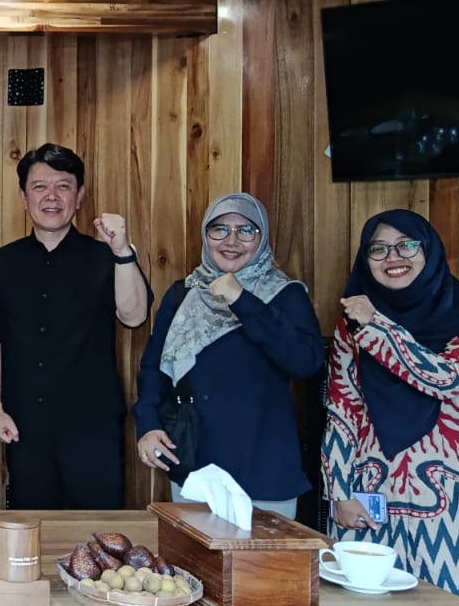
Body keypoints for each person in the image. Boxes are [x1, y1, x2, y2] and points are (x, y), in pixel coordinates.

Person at [323, 209, 459, 606]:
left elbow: (445, 378)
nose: (393, 257)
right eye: (378, 249)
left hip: (453, 500)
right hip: (371, 494)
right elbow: (342, 410)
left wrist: (377, 326)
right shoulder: (351, 325)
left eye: (406, 245)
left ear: (429, 252)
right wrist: (339, 493)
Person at [0, 143, 151, 509]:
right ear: (24, 197)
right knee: (31, 530)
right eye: (39, 186)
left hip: (94, 427)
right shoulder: (1, 264)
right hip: (25, 426)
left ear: (79, 195)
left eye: (63, 186)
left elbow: (134, 316)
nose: (51, 196)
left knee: (100, 531)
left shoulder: (105, 257)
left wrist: (122, 252)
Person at [133, 193, 323, 517]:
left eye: (246, 231)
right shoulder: (183, 294)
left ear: (262, 238)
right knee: (194, 551)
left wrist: (242, 299)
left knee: (266, 553)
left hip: (264, 467)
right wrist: (148, 425)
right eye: (219, 229)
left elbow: (305, 362)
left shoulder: (285, 294)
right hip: (196, 467)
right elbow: (154, 369)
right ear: (206, 236)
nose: (231, 241)